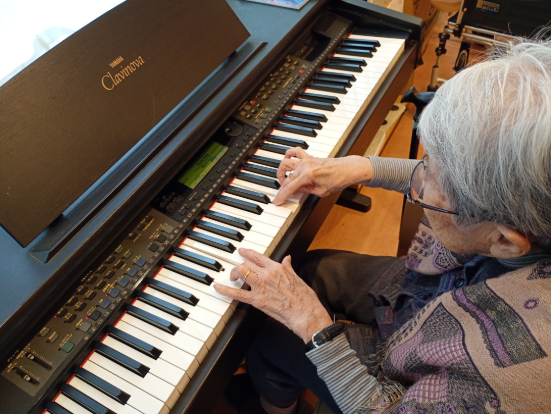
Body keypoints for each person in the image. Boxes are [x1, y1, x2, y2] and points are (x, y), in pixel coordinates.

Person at [213, 39, 551, 414]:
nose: (419, 182)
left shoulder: (518, 377)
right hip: (443, 285)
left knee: (275, 341)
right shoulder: (524, 217)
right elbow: (464, 184)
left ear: (506, 242)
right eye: (426, 162)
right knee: (312, 267)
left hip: (405, 389)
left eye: (427, 186)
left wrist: (311, 322)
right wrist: (362, 167)